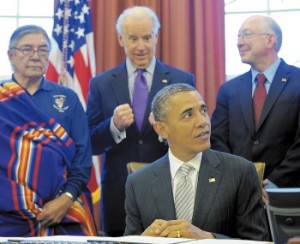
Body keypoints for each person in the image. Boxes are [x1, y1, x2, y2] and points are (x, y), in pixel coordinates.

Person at [86, 6, 194, 236]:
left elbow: (195, 137)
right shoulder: (101, 84)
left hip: (169, 187)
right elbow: (90, 143)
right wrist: (113, 126)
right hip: (119, 191)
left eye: (146, 37)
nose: (141, 46)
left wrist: (168, 130)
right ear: (120, 39)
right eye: (133, 38)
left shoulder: (181, 80)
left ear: (156, 36)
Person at [124, 83, 270, 240]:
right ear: (162, 129)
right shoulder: (138, 182)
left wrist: (208, 239)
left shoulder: (240, 172)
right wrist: (142, 240)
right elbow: (129, 239)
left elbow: (258, 241)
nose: (203, 122)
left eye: (203, 111)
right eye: (188, 115)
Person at [0, 25, 97, 236]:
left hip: (62, 208)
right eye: (27, 49)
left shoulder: (67, 99)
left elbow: (82, 159)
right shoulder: (2, 98)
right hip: (6, 210)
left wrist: (66, 199)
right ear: (11, 55)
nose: (36, 56)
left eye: (43, 50)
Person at [210, 15, 300, 204]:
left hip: (287, 194)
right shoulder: (229, 89)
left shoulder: (297, 81)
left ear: (270, 39)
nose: (239, 42)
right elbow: (217, 139)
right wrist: (239, 180)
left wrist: (274, 182)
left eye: (246, 35)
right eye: (238, 36)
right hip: (237, 195)